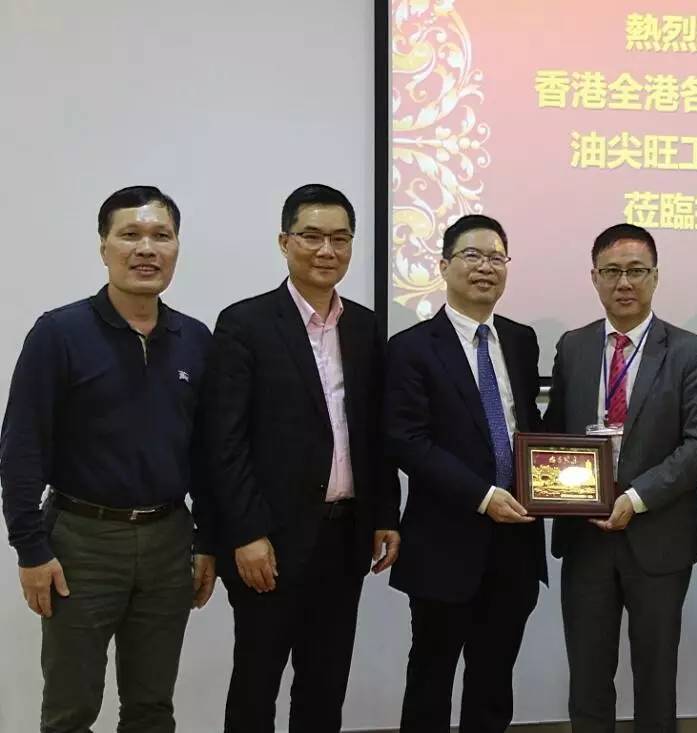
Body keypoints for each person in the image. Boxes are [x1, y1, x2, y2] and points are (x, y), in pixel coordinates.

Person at [0, 185, 216, 731]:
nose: (146, 248)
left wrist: (207, 541)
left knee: (151, 707)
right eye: (130, 235)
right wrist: (30, 548)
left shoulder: (194, 339)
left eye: (161, 236)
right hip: (80, 543)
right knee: (71, 708)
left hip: (169, 540)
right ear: (104, 247)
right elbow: (21, 448)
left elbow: (208, 452)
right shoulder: (59, 333)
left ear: (176, 247)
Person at [205, 184, 399, 732]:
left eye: (340, 238)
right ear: (284, 242)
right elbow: (224, 441)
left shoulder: (365, 327)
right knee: (256, 686)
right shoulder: (245, 324)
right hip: (270, 541)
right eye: (311, 236)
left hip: (344, 537)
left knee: (324, 686)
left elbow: (375, 432)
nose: (326, 250)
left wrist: (385, 515)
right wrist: (246, 532)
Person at [545, 223, 697, 732]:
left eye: (637, 271)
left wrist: (636, 498)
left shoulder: (691, 352)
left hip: (658, 536)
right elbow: (555, 434)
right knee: (588, 676)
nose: (624, 282)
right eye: (612, 271)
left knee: (656, 675)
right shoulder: (574, 347)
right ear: (594, 278)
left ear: (655, 277)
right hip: (586, 537)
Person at [385, 214, 546, 732]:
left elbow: (527, 427)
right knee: (431, 678)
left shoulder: (520, 340)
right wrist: (482, 495)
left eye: (496, 258)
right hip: (444, 543)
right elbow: (408, 441)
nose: (485, 268)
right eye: (472, 256)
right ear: (443, 266)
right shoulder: (410, 347)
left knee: (494, 680)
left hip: (515, 542)